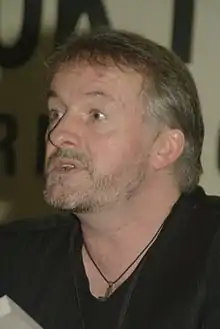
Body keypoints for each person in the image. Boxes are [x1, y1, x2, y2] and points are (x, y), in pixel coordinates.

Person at [1, 28, 220, 329]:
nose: (58, 134)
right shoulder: (14, 257)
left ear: (164, 148)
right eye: (56, 113)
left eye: (96, 115)